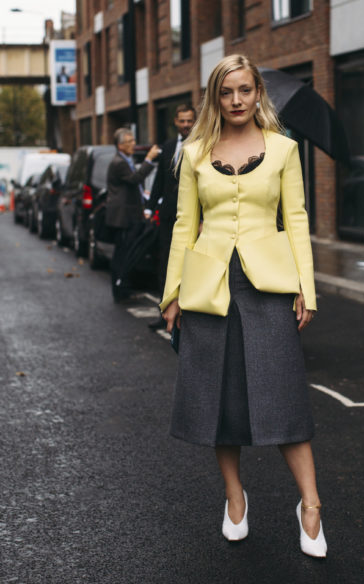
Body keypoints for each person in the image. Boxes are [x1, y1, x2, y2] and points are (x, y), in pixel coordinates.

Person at [161, 54, 327, 558]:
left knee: (283, 394)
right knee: (218, 398)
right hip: (209, 285)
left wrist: (307, 288)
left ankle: (311, 505)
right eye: (226, 92)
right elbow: (184, 226)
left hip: (269, 285)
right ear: (216, 97)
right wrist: (171, 295)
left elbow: (295, 219)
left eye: (245, 90)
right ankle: (235, 496)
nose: (236, 100)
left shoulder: (283, 150)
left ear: (259, 94)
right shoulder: (193, 152)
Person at [146, 104, 196, 331]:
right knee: (165, 263)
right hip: (168, 215)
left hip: (195, 216)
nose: (186, 125)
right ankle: (164, 312)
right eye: (182, 121)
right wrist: (149, 207)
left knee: (192, 265)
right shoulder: (167, 146)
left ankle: (190, 313)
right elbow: (159, 181)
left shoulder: (202, 144)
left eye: (189, 121)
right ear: (175, 122)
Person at [105, 128, 159, 301]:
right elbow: (135, 178)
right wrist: (149, 159)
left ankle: (123, 287)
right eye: (130, 142)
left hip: (128, 214)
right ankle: (120, 290)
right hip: (123, 217)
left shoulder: (125, 160)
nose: (133, 144)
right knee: (122, 254)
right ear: (120, 145)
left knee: (127, 252)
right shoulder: (119, 163)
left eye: (133, 141)